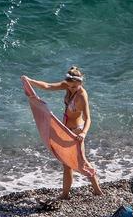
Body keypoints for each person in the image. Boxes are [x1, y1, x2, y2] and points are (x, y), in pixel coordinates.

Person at [22, 66, 104, 199]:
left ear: (80, 83)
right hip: (66, 130)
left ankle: (97, 191)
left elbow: (88, 118)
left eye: (74, 87)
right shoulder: (67, 85)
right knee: (67, 164)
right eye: (69, 86)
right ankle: (66, 194)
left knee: (81, 163)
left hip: (76, 132)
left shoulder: (82, 96)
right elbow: (48, 86)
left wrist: (83, 133)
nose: (71, 88)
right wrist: (30, 81)